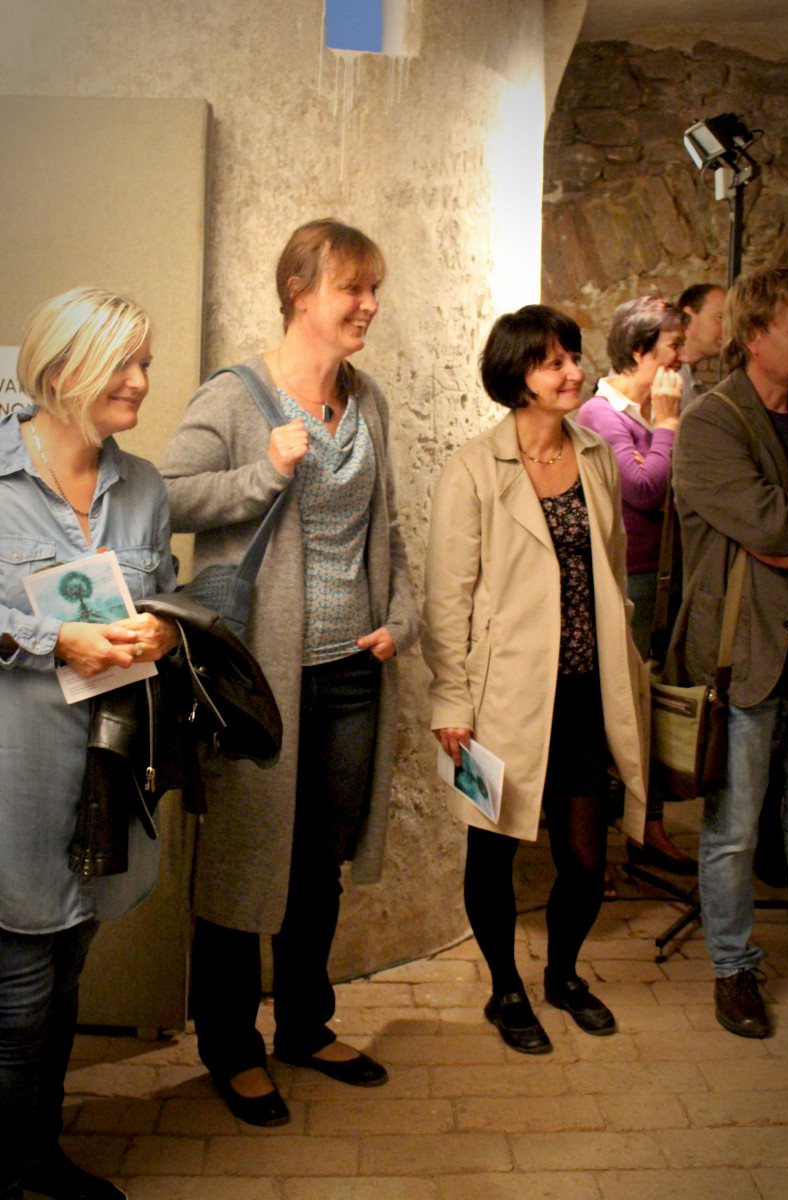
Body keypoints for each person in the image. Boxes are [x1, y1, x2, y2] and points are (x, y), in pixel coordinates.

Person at [160, 219, 419, 1125]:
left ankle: (305, 1026)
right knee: (244, 860)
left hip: (351, 675)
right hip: (258, 683)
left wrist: (401, 618)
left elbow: (387, 529)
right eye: (353, 288)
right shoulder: (236, 396)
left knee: (318, 867)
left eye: (374, 289)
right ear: (299, 292)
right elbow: (164, 496)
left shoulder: (368, 400)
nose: (369, 305)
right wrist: (261, 475)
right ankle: (230, 1045)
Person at [423, 305, 648, 1053]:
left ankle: (562, 974)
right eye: (554, 362)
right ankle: (505, 989)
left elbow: (611, 569)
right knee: (492, 849)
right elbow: (446, 597)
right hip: (501, 700)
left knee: (586, 857)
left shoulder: (596, 456)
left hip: (584, 692)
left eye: (574, 357)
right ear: (518, 376)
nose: (574, 372)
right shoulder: (472, 468)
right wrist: (451, 699)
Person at [0, 287, 179, 1200]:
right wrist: (50, 638)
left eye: (144, 363)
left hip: (104, 775)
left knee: (66, 982)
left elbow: (165, 594)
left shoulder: (143, 487)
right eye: (124, 364)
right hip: (13, 780)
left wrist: (164, 632)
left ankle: (40, 1158)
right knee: (18, 1002)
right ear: (64, 369)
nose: (141, 381)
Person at [665, 265, 788, 1038]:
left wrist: (779, 539)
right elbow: (770, 523)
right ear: (754, 336)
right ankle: (733, 967)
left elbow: (779, 533)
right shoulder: (713, 424)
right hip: (746, 659)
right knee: (735, 829)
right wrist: (774, 536)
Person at [576, 296, 697, 877]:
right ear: (640, 350)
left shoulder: (648, 413)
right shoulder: (602, 416)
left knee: (652, 705)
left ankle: (647, 826)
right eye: (674, 347)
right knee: (620, 706)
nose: (683, 359)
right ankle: (600, 843)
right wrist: (669, 425)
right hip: (633, 577)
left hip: (664, 575)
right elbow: (644, 489)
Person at [678, 283, 726, 408]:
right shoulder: (668, 381)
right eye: (720, 317)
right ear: (688, 317)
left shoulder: (695, 384)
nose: (728, 328)